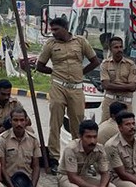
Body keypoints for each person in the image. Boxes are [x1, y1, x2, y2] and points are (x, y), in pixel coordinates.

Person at [36, 17, 100, 171]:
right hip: (58, 86)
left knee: (78, 123)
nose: (53, 32)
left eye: (56, 29)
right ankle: (53, 159)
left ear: (65, 28)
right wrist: (54, 72)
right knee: (55, 122)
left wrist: (81, 73)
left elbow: (95, 61)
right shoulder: (50, 44)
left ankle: (80, 159)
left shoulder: (80, 41)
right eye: (52, 30)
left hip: (77, 87)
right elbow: (40, 66)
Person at [100, 36, 136, 121]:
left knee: (127, 127)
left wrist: (112, 85)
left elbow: (133, 87)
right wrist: (126, 86)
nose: (119, 50)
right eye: (116, 47)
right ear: (110, 49)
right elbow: (105, 85)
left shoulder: (130, 64)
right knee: (105, 128)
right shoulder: (105, 64)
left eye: (121, 47)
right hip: (109, 102)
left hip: (126, 103)